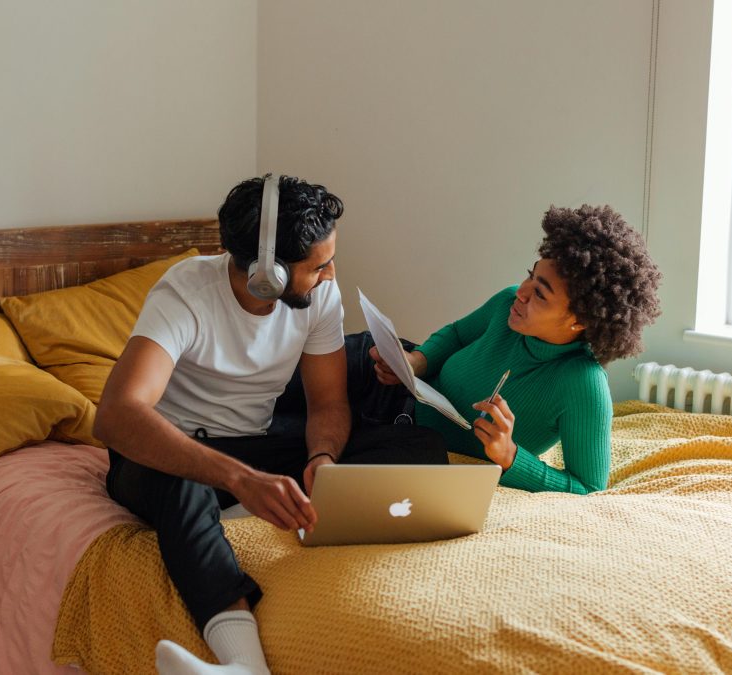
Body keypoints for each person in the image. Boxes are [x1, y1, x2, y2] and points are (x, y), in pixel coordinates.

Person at [95, 174, 447, 675]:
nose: (331, 274)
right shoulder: (185, 292)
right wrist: (239, 479)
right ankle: (243, 664)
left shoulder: (319, 297)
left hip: (256, 443)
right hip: (167, 454)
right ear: (269, 273)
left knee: (419, 446)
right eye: (319, 265)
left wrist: (322, 458)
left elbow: (327, 403)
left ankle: (243, 508)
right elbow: (116, 414)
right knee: (185, 484)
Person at [369, 204, 662, 495]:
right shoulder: (507, 303)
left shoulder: (583, 385)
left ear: (579, 321)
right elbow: (458, 335)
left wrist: (510, 456)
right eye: (530, 275)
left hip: (404, 436)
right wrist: (416, 361)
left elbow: (588, 486)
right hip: (390, 389)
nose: (521, 292)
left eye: (540, 293)